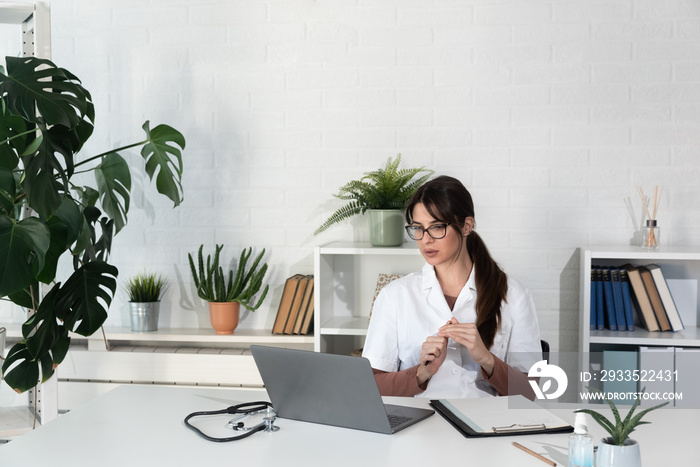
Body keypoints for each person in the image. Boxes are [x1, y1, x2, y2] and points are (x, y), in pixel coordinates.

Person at [362, 175, 542, 399]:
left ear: (467, 226)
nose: (426, 239)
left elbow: (530, 392)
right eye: (418, 228)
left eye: (437, 227)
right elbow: (372, 385)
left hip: (486, 425)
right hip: (418, 427)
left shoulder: (514, 296)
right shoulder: (395, 296)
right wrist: (422, 372)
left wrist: (486, 359)